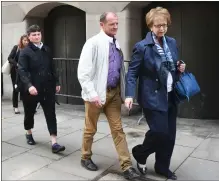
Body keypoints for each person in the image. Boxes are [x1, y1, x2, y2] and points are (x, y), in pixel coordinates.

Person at [125, 7, 186, 180]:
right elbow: (132, 73)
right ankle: (140, 153)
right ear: (150, 26)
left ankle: (162, 167)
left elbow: (172, 65)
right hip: (152, 97)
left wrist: (180, 67)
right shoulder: (142, 47)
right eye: (158, 25)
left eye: (164, 25)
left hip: (170, 95)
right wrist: (129, 95)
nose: (162, 29)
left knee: (170, 136)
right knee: (160, 132)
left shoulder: (172, 43)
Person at [77, 12, 139, 180]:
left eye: (117, 23)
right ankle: (85, 157)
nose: (116, 27)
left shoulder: (116, 44)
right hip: (95, 95)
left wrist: (125, 95)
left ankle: (127, 166)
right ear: (102, 25)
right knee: (90, 129)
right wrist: (92, 94)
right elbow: (83, 73)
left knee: (118, 130)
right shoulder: (92, 43)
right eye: (112, 24)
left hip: (113, 94)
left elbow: (121, 72)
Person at [17, 25, 65, 153]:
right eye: (34, 35)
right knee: (29, 113)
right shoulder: (25, 52)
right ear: (29, 36)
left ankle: (54, 142)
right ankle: (28, 132)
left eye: (38, 34)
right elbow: (22, 70)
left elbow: (52, 67)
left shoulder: (46, 49)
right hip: (33, 89)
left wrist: (57, 81)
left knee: (51, 113)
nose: (37, 36)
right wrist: (29, 86)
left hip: (47, 87)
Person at [8, 34, 29, 114]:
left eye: (27, 40)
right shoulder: (16, 48)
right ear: (21, 40)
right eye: (24, 40)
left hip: (25, 71)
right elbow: (9, 58)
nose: (26, 42)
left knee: (26, 89)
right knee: (16, 88)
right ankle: (15, 107)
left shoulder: (29, 49)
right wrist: (17, 64)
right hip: (15, 71)